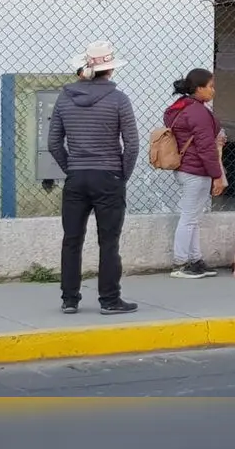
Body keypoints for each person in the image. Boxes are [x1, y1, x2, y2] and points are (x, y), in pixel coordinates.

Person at [48, 40, 140, 315]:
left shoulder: (65, 98)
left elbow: (54, 143)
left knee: (72, 239)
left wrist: (71, 168)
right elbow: (132, 145)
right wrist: (121, 175)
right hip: (109, 176)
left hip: (76, 177)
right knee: (108, 241)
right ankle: (110, 300)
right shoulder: (119, 99)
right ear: (110, 69)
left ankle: (69, 299)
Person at [165, 68, 225, 279]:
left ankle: (196, 260)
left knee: (193, 218)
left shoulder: (181, 107)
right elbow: (206, 148)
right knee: (189, 218)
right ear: (199, 88)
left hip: (186, 168)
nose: (213, 90)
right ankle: (180, 264)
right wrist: (217, 175)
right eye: (210, 86)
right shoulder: (197, 112)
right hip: (196, 171)